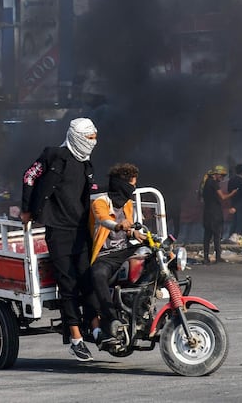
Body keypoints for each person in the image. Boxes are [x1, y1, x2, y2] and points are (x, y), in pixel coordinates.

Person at [20, 117, 98, 362]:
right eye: (90, 137)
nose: (94, 142)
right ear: (77, 136)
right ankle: (76, 339)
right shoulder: (54, 155)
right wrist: (27, 210)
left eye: (95, 137)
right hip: (58, 231)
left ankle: (96, 328)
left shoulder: (87, 165)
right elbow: (29, 177)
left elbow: (93, 194)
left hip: (81, 232)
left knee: (90, 280)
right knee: (68, 285)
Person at [88, 163, 146, 349]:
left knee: (156, 254)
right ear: (122, 184)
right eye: (131, 184)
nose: (133, 188)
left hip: (125, 249)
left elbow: (128, 227)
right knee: (97, 275)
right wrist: (118, 226)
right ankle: (111, 319)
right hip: (104, 255)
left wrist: (133, 234)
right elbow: (103, 219)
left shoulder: (128, 204)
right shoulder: (100, 202)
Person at [202, 165, 237, 264]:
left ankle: (206, 257)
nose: (222, 178)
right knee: (217, 235)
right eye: (221, 176)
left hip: (207, 212)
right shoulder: (213, 183)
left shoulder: (205, 183)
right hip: (215, 213)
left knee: (207, 236)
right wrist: (233, 193)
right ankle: (218, 257)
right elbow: (222, 197)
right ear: (215, 174)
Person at [227, 164, 242, 239]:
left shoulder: (231, 180)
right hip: (241, 204)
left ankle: (231, 236)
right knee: (240, 222)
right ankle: (239, 237)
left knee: (234, 221)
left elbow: (229, 191)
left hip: (233, 202)